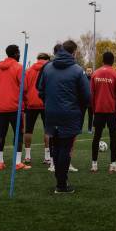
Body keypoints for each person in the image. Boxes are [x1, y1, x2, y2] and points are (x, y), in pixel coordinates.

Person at [37, 40, 90, 194]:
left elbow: (39, 89)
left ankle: (60, 179)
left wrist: (49, 102)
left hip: (51, 112)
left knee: (56, 145)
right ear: (74, 52)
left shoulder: (47, 68)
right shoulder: (77, 70)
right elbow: (86, 96)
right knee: (65, 148)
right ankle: (61, 184)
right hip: (70, 113)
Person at [0, 44, 28, 171]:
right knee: (18, 133)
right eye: (18, 52)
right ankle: (18, 162)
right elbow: (24, 87)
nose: (19, 55)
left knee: (1, 133)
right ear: (15, 54)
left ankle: (0, 162)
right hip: (15, 106)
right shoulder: (18, 67)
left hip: (2, 106)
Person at [90, 51, 116, 174]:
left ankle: (94, 165)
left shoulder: (95, 74)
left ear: (102, 61)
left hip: (98, 111)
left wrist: (94, 110)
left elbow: (91, 95)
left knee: (96, 137)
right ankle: (113, 165)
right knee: (113, 138)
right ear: (113, 61)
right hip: (111, 112)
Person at [22, 53, 50, 166]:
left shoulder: (28, 71)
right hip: (46, 103)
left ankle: (27, 156)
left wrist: (27, 101)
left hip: (31, 103)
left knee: (28, 130)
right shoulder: (49, 69)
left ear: (37, 59)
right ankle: (47, 157)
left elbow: (24, 88)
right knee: (48, 130)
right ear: (47, 60)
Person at [84, 66, 95, 133]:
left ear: (92, 72)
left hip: (91, 101)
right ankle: (79, 129)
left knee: (90, 116)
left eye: (90, 71)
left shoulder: (94, 79)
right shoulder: (83, 79)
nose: (88, 72)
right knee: (81, 115)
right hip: (84, 101)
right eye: (87, 71)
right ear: (85, 71)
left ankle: (90, 129)